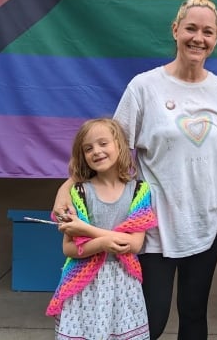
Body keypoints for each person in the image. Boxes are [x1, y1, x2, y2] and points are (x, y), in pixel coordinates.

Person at [53, 0, 217, 339]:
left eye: (207, 32)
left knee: (193, 315)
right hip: (151, 224)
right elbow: (109, 149)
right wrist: (67, 188)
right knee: (149, 319)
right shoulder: (144, 87)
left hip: (207, 221)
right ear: (175, 30)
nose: (198, 38)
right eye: (191, 29)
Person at [46, 118, 157, 339]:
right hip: (84, 286)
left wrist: (87, 231)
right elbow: (68, 248)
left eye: (103, 143)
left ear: (120, 145)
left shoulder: (139, 190)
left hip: (123, 284)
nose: (96, 151)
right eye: (88, 148)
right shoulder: (79, 193)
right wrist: (105, 243)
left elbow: (133, 244)